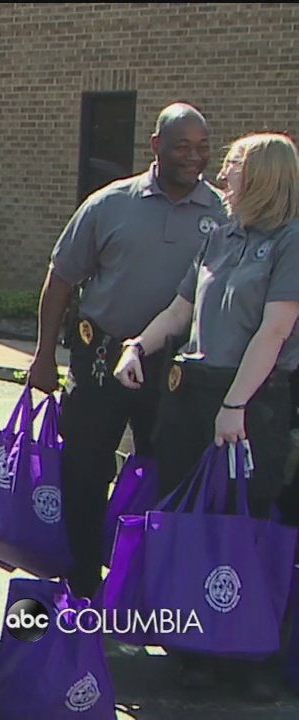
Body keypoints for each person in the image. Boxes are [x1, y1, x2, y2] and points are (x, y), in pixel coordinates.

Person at [114, 133, 299, 701]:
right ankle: (195, 650)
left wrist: (235, 405)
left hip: (252, 397)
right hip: (192, 394)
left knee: (246, 525)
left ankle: (249, 656)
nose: (222, 176)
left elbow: (274, 331)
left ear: (263, 176)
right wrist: (137, 346)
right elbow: (180, 309)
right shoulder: (220, 235)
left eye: (233, 166)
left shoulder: (290, 241)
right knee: (192, 522)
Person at [28, 103, 228, 599]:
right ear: (156, 146)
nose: (194, 156)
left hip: (177, 369)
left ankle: (147, 587)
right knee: (85, 470)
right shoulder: (110, 204)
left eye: (203, 147)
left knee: (168, 476)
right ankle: (81, 587)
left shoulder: (224, 213)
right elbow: (60, 279)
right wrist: (44, 354)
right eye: (182, 146)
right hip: (101, 360)